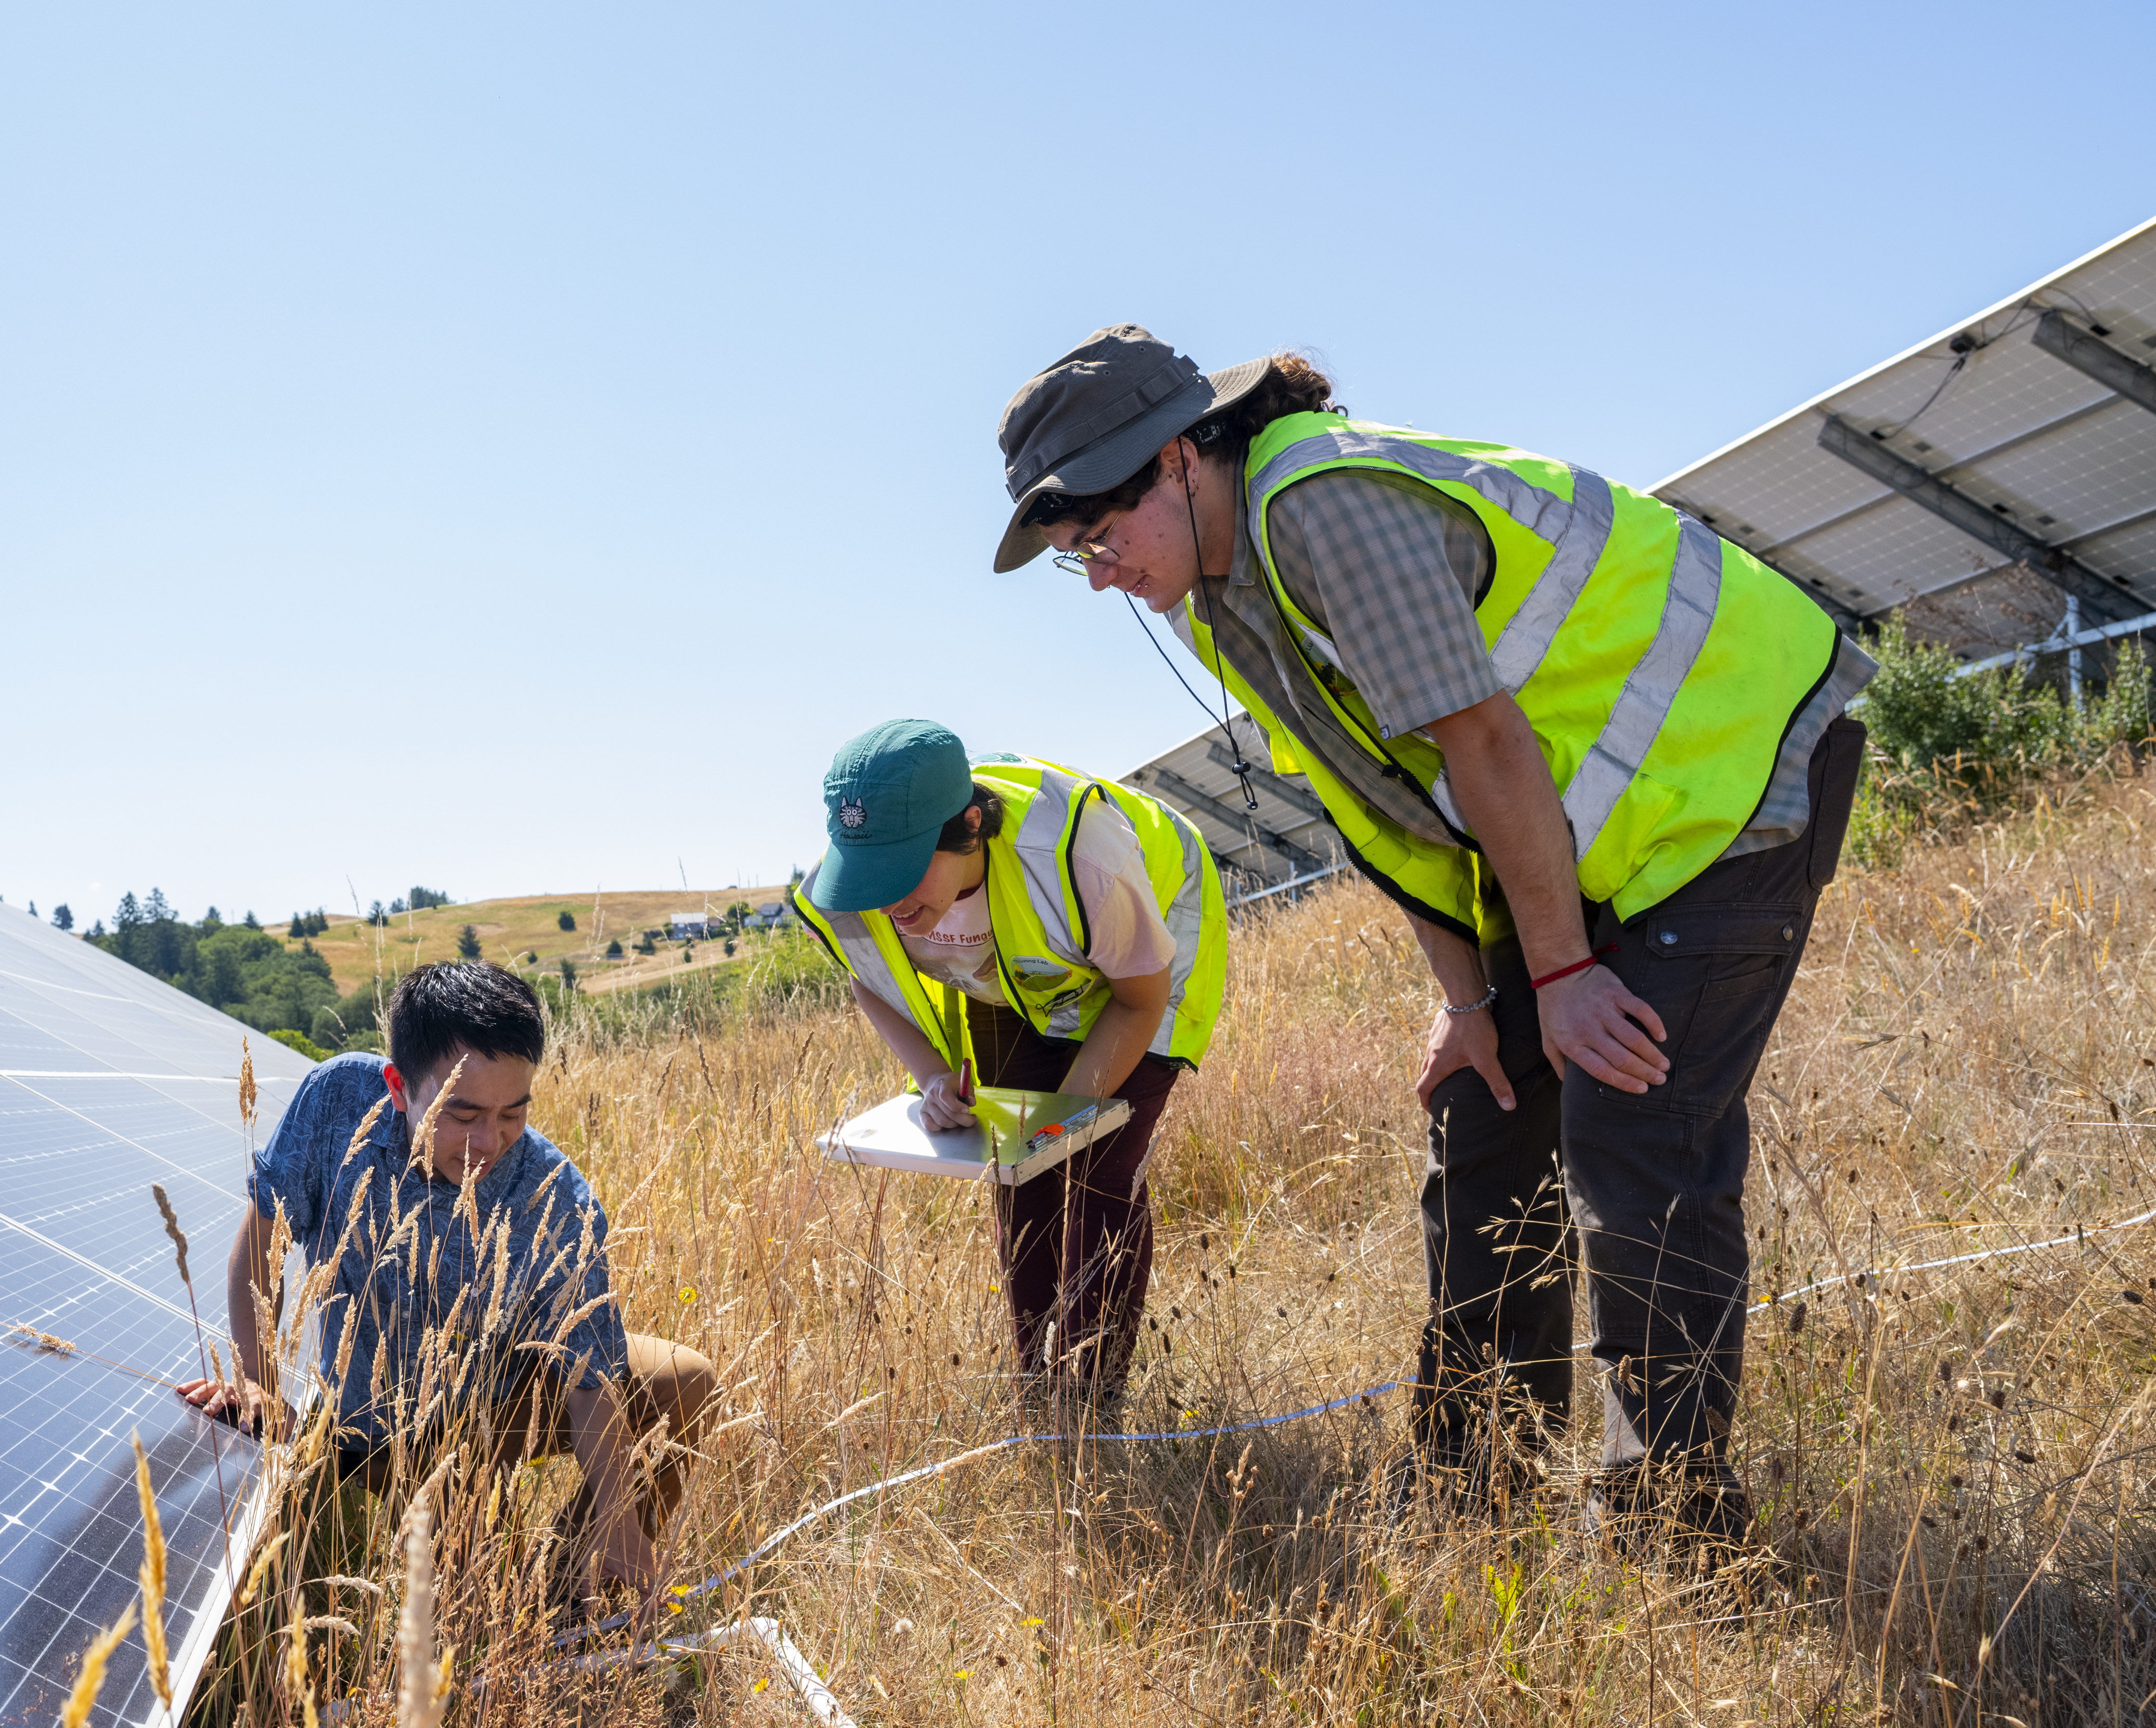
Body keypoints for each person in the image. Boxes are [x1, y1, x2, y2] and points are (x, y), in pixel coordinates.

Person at [990, 326, 1870, 1546]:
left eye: (1100, 534)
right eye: (1072, 555)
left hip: (1727, 776)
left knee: (1631, 1128)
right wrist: (1472, 1004)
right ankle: (1478, 1489)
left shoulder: (1325, 508)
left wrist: (1563, 972)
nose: (1098, 576)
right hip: (1578, 839)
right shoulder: (1214, 604)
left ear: (1180, 458)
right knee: (1482, 1113)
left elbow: (1486, 741)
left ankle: (1675, 1528)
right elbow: (1381, 809)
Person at [178, 960, 714, 1604]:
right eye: (463, 1114)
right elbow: (265, 1233)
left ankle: (576, 1591)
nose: (489, 1141)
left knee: (685, 1380)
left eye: (513, 1113)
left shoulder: (557, 1198)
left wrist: (620, 1514)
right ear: (399, 1087)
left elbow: (588, 1377)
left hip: (488, 1412)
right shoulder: (336, 1102)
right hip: (361, 1426)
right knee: (461, 1597)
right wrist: (257, 1378)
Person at [790, 721, 1226, 1404]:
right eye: (874, 877)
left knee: (1098, 1171)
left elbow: (1138, 1001)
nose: (889, 902)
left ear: (970, 826)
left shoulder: (1078, 854)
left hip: (1139, 963)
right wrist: (935, 1078)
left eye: (905, 872)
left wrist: (1064, 1121)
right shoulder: (854, 883)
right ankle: (1040, 1397)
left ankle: (1090, 1408)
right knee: (1021, 1173)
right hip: (1017, 983)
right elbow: (867, 982)